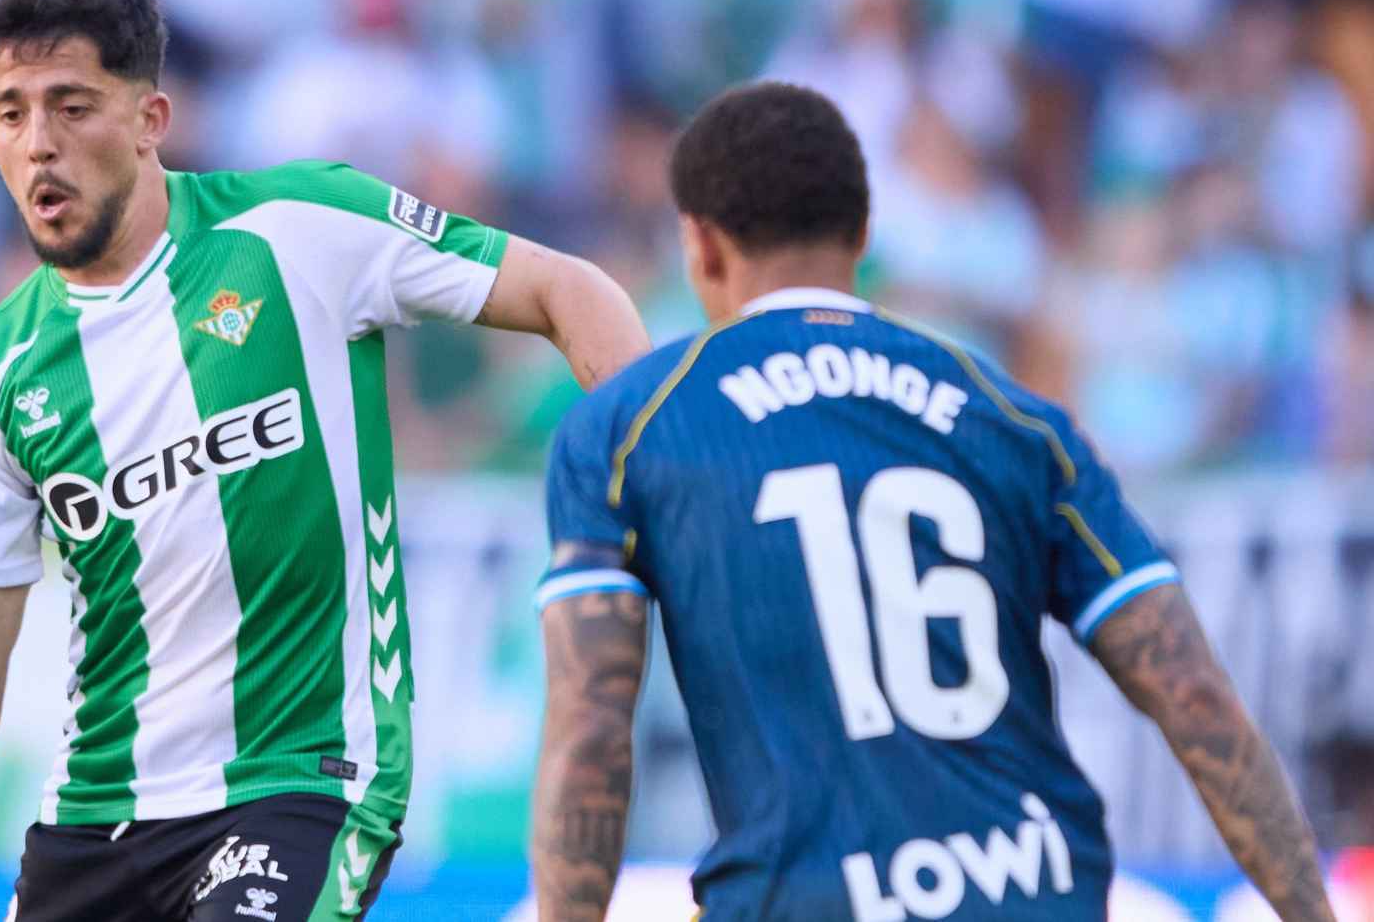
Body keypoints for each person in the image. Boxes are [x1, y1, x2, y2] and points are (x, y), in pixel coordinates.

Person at [0, 0, 649, 922]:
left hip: (300, 781)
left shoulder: (297, 228)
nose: (39, 144)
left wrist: (657, 488)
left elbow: (570, 291)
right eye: (11, 113)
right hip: (94, 819)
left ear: (149, 120)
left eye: (72, 105)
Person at [528, 82, 1336, 921]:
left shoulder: (627, 428)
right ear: (864, 232)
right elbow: (1196, 693)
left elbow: (591, 731)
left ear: (700, 243)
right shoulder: (1014, 417)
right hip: (1034, 893)